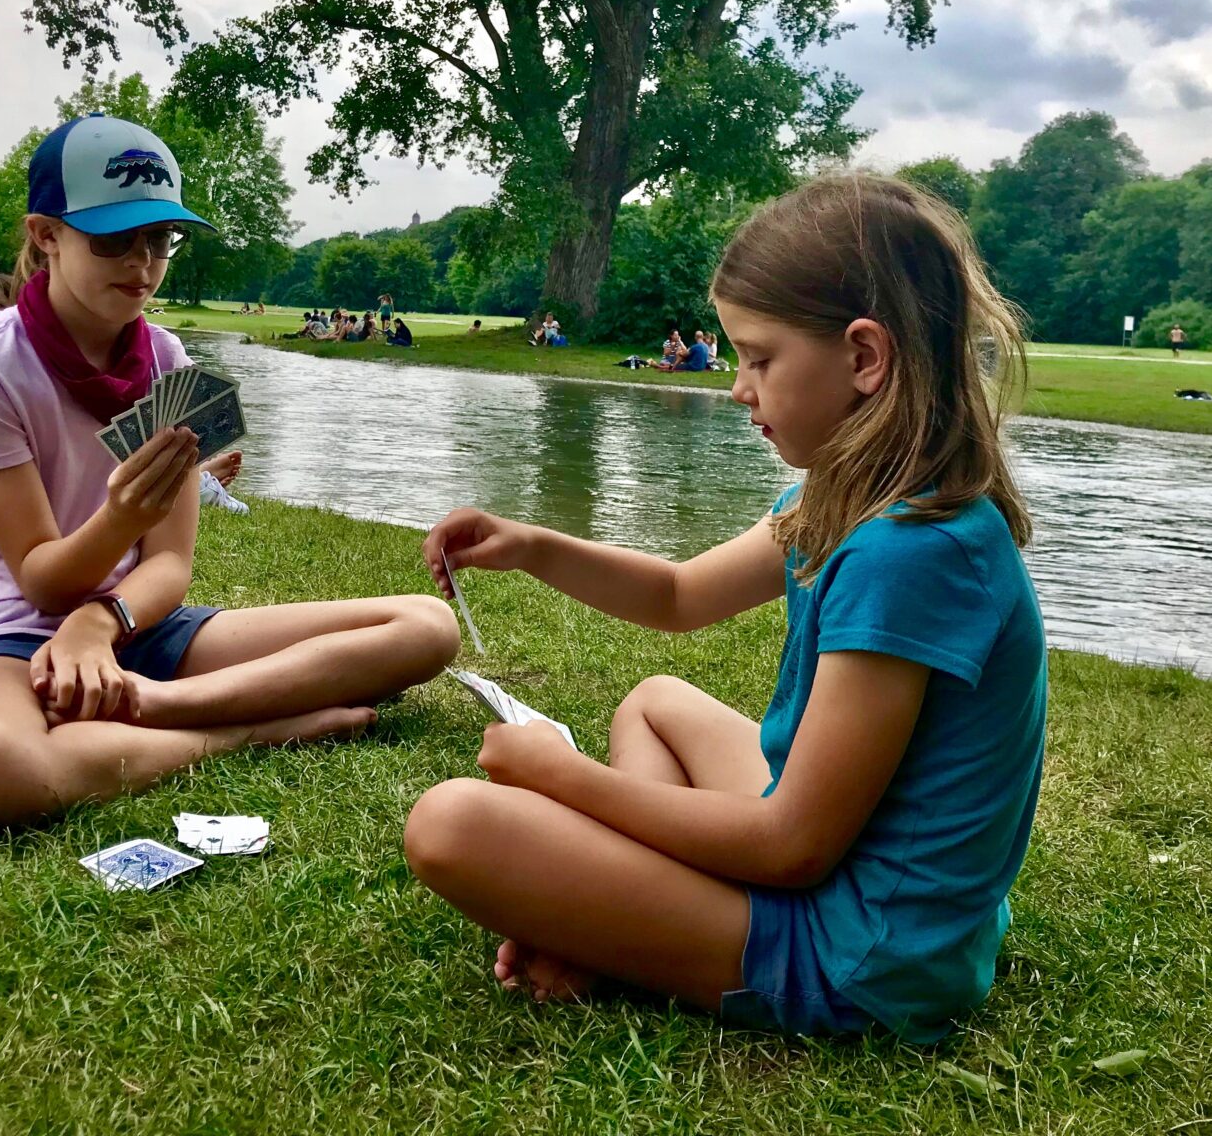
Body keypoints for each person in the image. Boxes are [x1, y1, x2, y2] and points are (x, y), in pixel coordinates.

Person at [404, 174, 1045, 1045]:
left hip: (860, 956)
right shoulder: (851, 497)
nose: (738, 387)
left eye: (759, 357)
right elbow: (678, 595)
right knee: (654, 702)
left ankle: (609, 924)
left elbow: (793, 847)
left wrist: (562, 775)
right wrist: (531, 545)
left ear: (865, 357)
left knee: (451, 824)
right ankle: (611, 916)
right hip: (843, 886)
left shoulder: (911, 553)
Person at [0, 112, 456, 824]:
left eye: (159, 239)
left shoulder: (169, 364)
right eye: (113, 240)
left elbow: (170, 566)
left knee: (424, 626)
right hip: (8, 634)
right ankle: (244, 730)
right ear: (46, 235)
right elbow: (41, 580)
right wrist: (119, 522)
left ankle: (154, 707)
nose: (141, 265)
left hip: (135, 624)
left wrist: (103, 622)